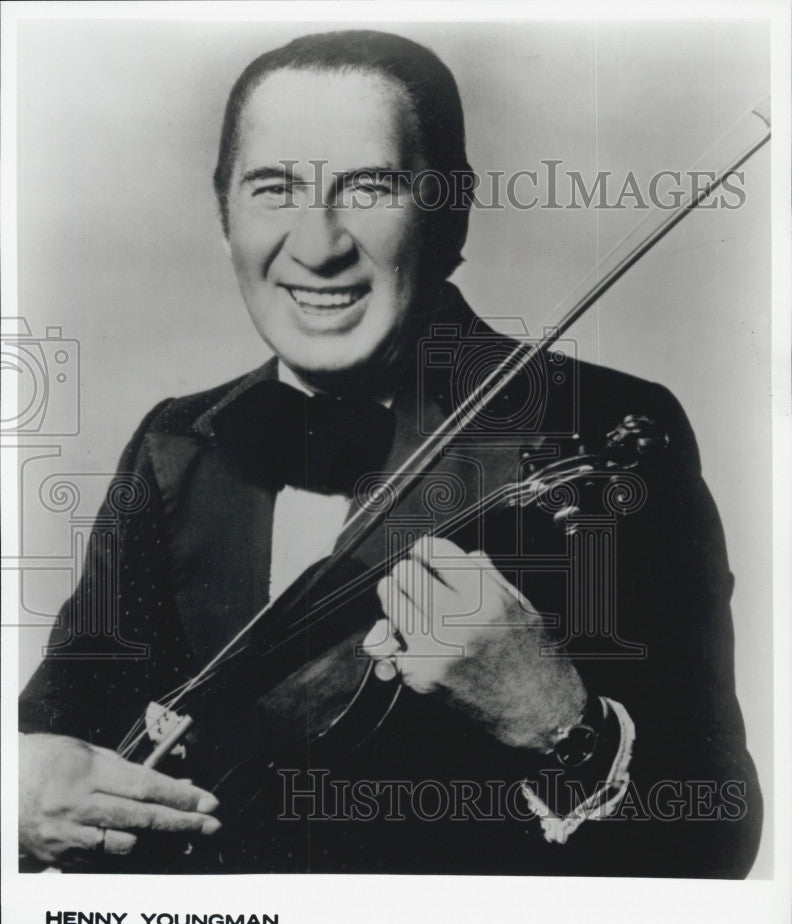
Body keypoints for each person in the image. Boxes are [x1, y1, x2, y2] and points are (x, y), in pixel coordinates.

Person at [18, 29, 761, 876]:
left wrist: (562, 719)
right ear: (223, 212)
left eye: (370, 187)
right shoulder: (174, 444)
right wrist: (25, 787)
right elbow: (59, 728)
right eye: (274, 188)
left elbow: (716, 835)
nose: (319, 244)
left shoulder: (600, 429)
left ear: (451, 212)